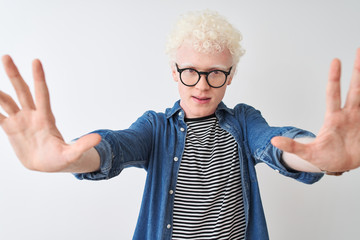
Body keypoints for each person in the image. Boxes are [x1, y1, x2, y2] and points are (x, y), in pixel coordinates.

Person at [0, 9, 359, 240]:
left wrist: (319, 156)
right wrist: (68, 159)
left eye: (215, 73)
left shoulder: (244, 122)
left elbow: (278, 145)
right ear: (174, 72)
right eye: (191, 72)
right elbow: (113, 149)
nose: (202, 85)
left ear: (230, 76)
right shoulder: (155, 128)